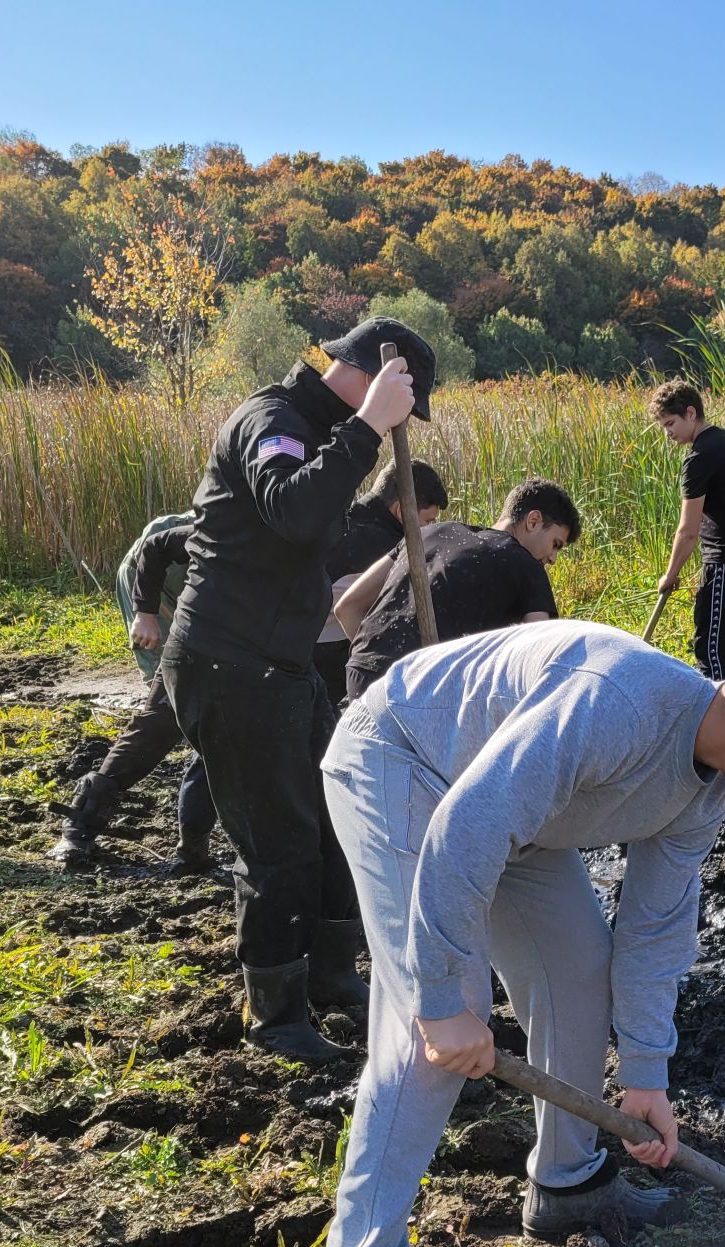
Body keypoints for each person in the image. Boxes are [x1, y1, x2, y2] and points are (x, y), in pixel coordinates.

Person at [290, 621, 725, 1247]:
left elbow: (655, 932)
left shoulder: (704, 792)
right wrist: (438, 1001)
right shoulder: (617, 703)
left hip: (513, 818)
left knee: (580, 975)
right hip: (405, 760)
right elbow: (469, 827)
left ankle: (567, 1183)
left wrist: (646, 1079)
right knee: (426, 1040)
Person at [161, 317, 435, 1063]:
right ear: (378, 377)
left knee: (335, 816)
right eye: (408, 401)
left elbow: (318, 536)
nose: (404, 419)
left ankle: (329, 971)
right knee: (279, 843)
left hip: (280, 665)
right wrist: (370, 428)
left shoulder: (315, 432)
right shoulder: (271, 422)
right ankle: (274, 1013)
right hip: (230, 662)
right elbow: (294, 511)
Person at [48, 513, 218, 871]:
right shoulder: (230, 527)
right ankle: (80, 825)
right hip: (173, 588)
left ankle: (194, 849)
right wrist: (146, 614)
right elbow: (154, 550)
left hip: (235, 628)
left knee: (216, 737)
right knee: (163, 718)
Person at [335, 477, 580, 702]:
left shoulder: (427, 533)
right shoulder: (526, 566)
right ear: (533, 521)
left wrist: (380, 662)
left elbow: (347, 607)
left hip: (361, 677)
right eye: (555, 544)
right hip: (421, 690)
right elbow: (533, 659)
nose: (553, 558)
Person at [649, 380, 725, 680]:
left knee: (710, 644)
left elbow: (687, 530)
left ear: (691, 413)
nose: (668, 433)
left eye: (670, 423)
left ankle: (720, 713)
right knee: (724, 635)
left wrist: (671, 574)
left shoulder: (699, 457)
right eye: (664, 426)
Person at [310, 459, 449, 705]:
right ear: (400, 511)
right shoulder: (388, 551)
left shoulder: (339, 520)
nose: (428, 531)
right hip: (326, 661)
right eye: (427, 522)